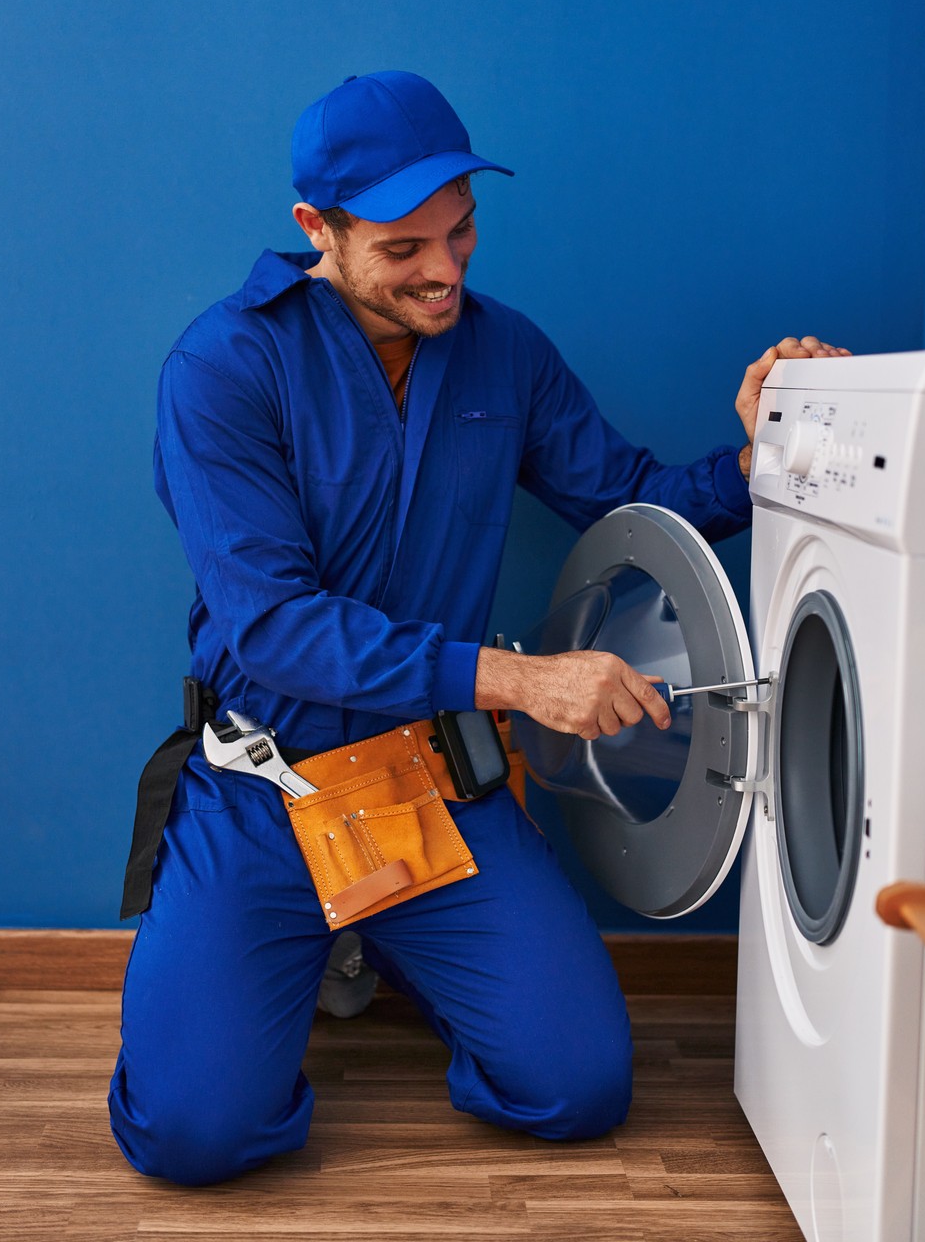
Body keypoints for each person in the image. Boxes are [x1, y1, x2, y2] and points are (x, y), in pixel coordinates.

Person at [110, 70, 849, 1187]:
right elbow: (275, 628)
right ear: (320, 228)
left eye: (461, 231)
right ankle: (312, 946)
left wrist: (764, 454)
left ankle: (386, 945)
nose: (446, 269)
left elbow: (630, 497)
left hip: (431, 786)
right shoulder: (222, 368)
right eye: (405, 248)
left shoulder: (506, 353)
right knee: (192, 1134)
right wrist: (521, 680)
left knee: (580, 1084)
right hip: (261, 791)